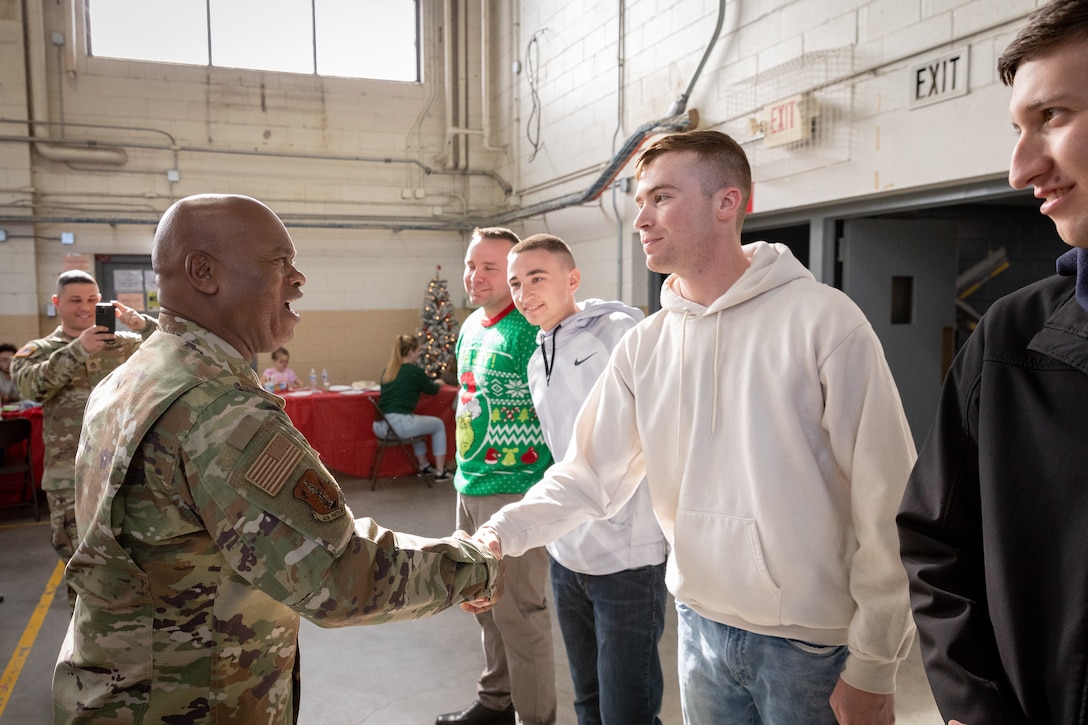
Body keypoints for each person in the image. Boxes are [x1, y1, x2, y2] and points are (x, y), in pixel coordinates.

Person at [469, 130, 917, 724]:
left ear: (726, 202)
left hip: (809, 646)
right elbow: (586, 475)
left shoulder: (823, 322)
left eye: (661, 198)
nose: (641, 219)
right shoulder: (646, 346)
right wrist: (501, 533)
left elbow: (888, 498)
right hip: (699, 632)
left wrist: (874, 660)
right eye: (640, 203)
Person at [53, 194, 500, 724]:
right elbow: (336, 574)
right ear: (204, 271)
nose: (299, 277)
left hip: (117, 689)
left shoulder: (134, 375)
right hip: (189, 702)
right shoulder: (218, 408)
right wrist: (474, 567)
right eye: (279, 261)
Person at [897, 3, 1088, 723]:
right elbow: (936, 545)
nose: (1020, 169)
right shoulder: (1012, 338)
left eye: (1055, 116)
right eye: (1019, 128)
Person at [505, 233, 669, 725]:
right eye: (515, 282)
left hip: (627, 558)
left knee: (627, 711)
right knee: (588, 704)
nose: (524, 292)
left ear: (572, 279)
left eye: (537, 278)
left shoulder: (616, 331)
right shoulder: (538, 357)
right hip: (566, 552)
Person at [439, 227, 556, 725]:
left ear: (512, 275)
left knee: (520, 616)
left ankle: (535, 717)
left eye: (490, 267)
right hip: (469, 485)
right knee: (481, 602)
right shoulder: (470, 327)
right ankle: (494, 702)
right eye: (471, 264)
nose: (475, 276)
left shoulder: (532, 327)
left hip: (516, 491)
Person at [11, 271, 156, 605]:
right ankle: (85, 653)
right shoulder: (37, 351)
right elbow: (32, 386)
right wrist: (78, 350)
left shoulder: (122, 344)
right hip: (70, 481)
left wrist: (143, 326)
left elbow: (175, 350)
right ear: (57, 303)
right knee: (83, 571)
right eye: (75, 300)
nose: (85, 308)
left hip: (126, 475)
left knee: (136, 564)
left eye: (92, 300)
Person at [375, 333, 450, 480]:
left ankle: (424, 466)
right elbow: (432, 390)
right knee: (438, 424)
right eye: (417, 351)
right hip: (399, 425)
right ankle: (440, 472)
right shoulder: (413, 371)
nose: (418, 354)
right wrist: (439, 383)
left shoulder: (388, 371)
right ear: (410, 352)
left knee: (418, 422)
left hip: (381, 427)